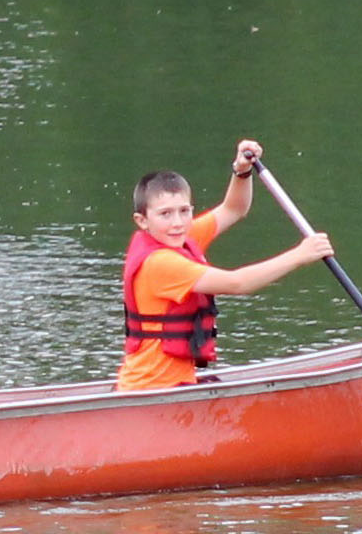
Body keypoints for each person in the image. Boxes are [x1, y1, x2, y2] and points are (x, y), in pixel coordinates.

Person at [118, 137, 336, 391]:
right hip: (152, 389)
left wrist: (241, 172)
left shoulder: (179, 238)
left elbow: (234, 209)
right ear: (142, 221)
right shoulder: (161, 264)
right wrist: (299, 255)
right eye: (165, 214)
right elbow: (237, 283)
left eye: (184, 211)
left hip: (173, 385)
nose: (177, 222)